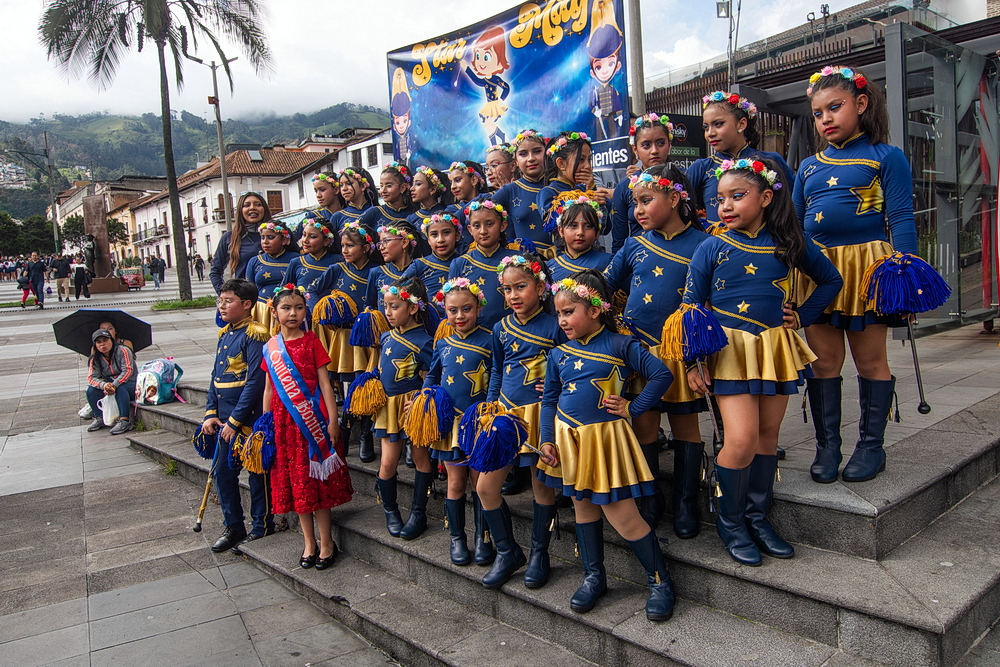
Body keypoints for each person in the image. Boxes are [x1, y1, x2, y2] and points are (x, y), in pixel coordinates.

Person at [680, 158, 842, 567]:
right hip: (728, 352)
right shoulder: (710, 246)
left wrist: (802, 316)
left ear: (766, 197)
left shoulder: (789, 243)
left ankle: (757, 517)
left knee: (767, 439)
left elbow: (831, 280)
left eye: (737, 196)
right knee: (741, 440)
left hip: (773, 350)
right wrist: (692, 363)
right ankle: (731, 522)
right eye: (720, 199)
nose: (726, 206)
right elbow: (690, 308)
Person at [794, 65, 918, 484]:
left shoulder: (887, 156)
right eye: (818, 113)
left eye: (835, 107)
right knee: (824, 363)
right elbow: (794, 228)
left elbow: (901, 218)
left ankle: (871, 447)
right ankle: (827, 447)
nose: (825, 118)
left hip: (868, 270)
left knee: (870, 360)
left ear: (861, 104)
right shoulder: (808, 167)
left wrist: (908, 281)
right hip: (817, 273)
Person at [543, 271, 675, 621]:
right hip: (569, 442)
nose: (562, 320)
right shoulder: (558, 355)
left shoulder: (620, 345)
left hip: (605, 443)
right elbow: (549, 400)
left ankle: (659, 581)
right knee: (582, 509)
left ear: (595, 310)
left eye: (569, 312)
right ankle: (594, 577)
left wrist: (634, 407)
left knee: (624, 516)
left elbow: (662, 375)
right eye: (559, 313)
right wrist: (546, 439)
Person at [604, 164, 710, 537]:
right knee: (644, 425)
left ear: (675, 198)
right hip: (638, 354)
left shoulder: (703, 244)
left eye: (646, 200)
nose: (638, 210)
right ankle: (650, 500)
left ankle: (686, 503)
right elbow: (603, 287)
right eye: (635, 203)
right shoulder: (634, 245)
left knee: (686, 427)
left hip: (682, 353)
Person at [479, 253, 565, 590]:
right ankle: (507, 551)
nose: (513, 295)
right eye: (507, 289)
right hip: (506, 415)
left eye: (521, 287)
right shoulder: (500, 328)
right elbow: (498, 370)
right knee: (485, 487)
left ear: (541, 288)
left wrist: (556, 387)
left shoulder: (555, 326)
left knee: (542, 487)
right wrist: (490, 405)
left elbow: (569, 366)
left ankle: (540, 554)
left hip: (540, 415)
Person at [263, 285, 353, 570]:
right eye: (286, 308)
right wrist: (266, 424)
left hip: (313, 422)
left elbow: (326, 384)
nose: (293, 313)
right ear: (274, 312)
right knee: (298, 483)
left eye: (299, 307)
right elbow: (269, 389)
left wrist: (333, 420)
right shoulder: (271, 348)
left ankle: (326, 542)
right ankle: (308, 542)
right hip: (284, 425)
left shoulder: (312, 341)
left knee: (316, 483)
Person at [423, 279, 496, 566]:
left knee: (480, 483)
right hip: (450, 424)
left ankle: (482, 537)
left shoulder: (490, 339)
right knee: (455, 483)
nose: (460, 316)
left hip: (479, 422)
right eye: (453, 310)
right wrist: (424, 396)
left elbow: (497, 375)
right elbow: (432, 375)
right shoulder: (442, 343)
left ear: (478, 307)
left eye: (467, 309)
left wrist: (491, 409)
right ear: (445, 311)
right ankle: (457, 538)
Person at [201, 279, 274, 553]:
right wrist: (211, 413)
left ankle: (262, 525)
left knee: (257, 474)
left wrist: (235, 421)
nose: (222, 306)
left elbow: (255, 381)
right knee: (223, 473)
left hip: (248, 419)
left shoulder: (256, 333)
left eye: (228, 301)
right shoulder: (225, 334)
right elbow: (215, 377)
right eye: (220, 301)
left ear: (246, 304)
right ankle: (233, 526)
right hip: (223, 420)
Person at [363, 278, 435, 539]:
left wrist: (423, 399)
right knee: (388, 461)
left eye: (395, 306)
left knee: (420, 459)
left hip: (412, 407)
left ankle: (418, 512)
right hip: (388, 408)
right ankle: (390, 510)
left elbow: (432, 375)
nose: (388, 312)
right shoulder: (385, 337)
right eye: (386, 306)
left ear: (413, 308)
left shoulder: (424, 341)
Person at [308, 221, 383, 462]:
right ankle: (346, 430)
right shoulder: (337, 269)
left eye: (351, 245)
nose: (345, 250)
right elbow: (312, 292)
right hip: (344, 338)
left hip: (367, 339)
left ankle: (365, 435)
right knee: (350, 388)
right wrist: (325, 313)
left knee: (365, 386)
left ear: (367, 247)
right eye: (343, 245)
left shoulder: (376, 270)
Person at [687, 91, 794, 235]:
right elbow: (682, 210)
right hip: (719, 244)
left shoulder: (771, 161)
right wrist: (709, 230)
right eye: (706, 127)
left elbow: (792, 204)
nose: (710, 133)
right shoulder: (701, 168)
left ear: (742, 124)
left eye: (718, 124)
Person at [448, 197, 522, 332]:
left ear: (503, 226)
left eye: (489, 224)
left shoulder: (518, 259)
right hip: (474, 336)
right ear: (470, 229)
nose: (483, 231)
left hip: (513, 333)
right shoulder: (459, 264)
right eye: (477, 225)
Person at [538, 132, 612, 253]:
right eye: (581, 159)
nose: (587, 166)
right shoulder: (548, 192)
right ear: (561, 163)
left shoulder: (586, 189)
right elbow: (554, 227)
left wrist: (593, 191)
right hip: (565, 257)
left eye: (589, 160)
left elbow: (605, 229)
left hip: (593, 255)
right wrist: (588, 200)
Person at [611, 113, 673, 253]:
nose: (654, 151)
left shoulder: (683, 179)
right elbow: (619, 244)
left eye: (661, 143)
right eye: (646, 145)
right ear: (635, 149)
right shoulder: (624, 188)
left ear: (669, 144)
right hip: (639, 257)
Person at [492, 130, 551, 254]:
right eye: (523, 154)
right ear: (516, 162)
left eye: (537, 151)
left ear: (547, 154)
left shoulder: (559, 187)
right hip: (525, 261)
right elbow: (477, 213)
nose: (531, 158)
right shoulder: (509, 190)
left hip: (560, 261)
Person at [403, 213, 463, 317]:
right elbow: (399, 290)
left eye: (446, 233)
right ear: (428, 239)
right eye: (434, 234)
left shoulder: (465, 263)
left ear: (457, 235)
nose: (440, 240)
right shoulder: (419, 265)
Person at [246, 221, 299, 333]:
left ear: (284, 240)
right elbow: (248, 291)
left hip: (288, 312)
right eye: (262, 237)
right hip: (261, 311)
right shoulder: (254, 261)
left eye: (270, 237)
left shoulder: (297, 260)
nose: (265, 241)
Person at [545, 195, 612, 282]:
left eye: (588, 226)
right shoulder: (549, 268)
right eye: (573, 226)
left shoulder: (609, 263)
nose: (580, 232)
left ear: (597, 233)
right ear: (561, 231)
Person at [210, 193, 266, 294]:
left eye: (258, 204)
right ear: (240, 210)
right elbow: (215, 271)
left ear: (264, 209)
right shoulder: (230, 237)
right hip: (244, 298)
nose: (252, 208)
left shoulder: (279, 234)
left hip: (274, 299)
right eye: (247, 205)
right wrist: (224, 295)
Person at [86, 328, 138, 435]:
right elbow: (92, 377)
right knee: (91, 390)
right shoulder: (95, 358)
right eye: (98, 342)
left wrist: (114, 385)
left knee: (121, 388)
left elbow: (128, 371)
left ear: (112, 340)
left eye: (105, 340)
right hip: (109, 384)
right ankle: (99, 418)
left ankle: (124, 420)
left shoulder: (123, 350)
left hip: (130, 384)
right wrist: (104, 385)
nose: (102, 344)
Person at [358, 163, 417, 250]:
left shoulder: (413, 214)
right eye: (381, 186)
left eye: (389, 186)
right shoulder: (375, 212)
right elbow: (352, 232)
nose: (383, 190)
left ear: (403, 187)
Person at [446, 161, 488, 247]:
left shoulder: (491, 204)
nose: (452, 187)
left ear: (474, 180)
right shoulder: (451, 210)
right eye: (451, 182)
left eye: (457, 180)